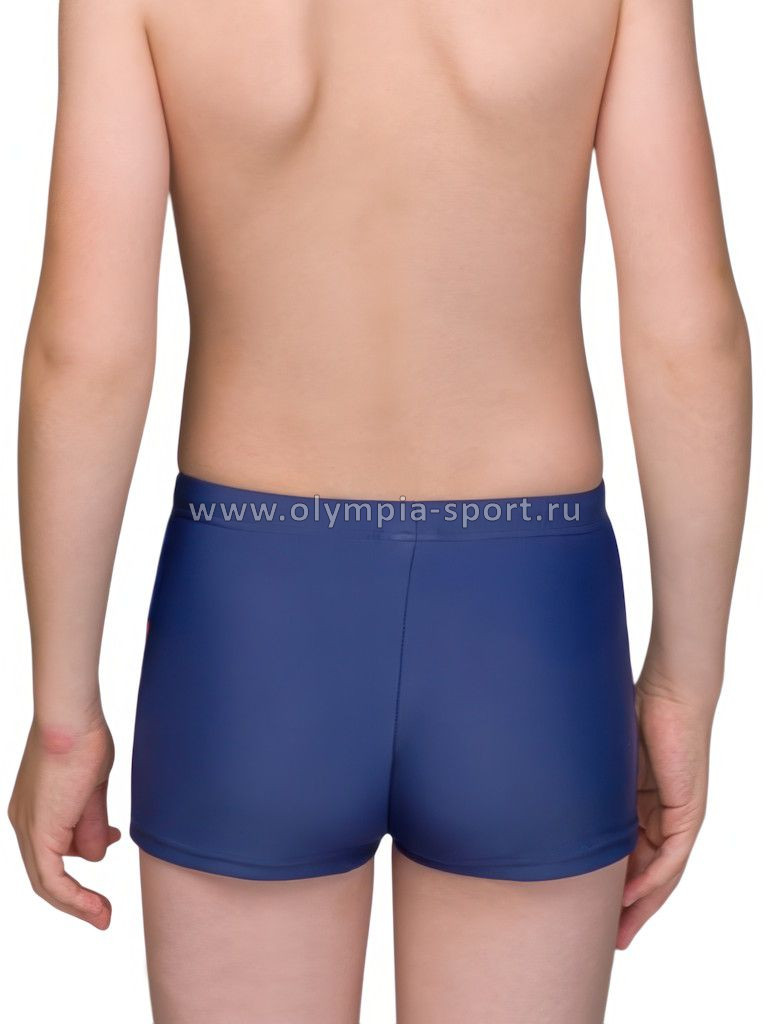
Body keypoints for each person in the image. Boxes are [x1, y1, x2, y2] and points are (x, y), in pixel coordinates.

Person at [8, 1, 750, 1022]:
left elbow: (82, 355)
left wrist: (62, 718)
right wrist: (683, 686)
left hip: (251, 616)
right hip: (529, 622)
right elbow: (690, 339)